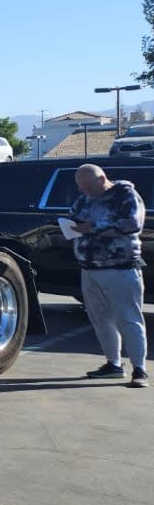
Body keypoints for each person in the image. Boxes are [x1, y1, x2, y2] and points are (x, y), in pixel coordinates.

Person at [70, 164, 147, 388]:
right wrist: (71, 227)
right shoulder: (83, 199)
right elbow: (74, 219)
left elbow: (133, 224)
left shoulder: (126, 195)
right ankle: (113, 365)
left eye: (89, 186)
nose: (85, 191)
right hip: (89, 268)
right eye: (81, 187)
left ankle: (139, 370)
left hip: (120, 267)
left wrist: (93, 227)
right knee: (100, 319)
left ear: (103, 179)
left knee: (128, 318)